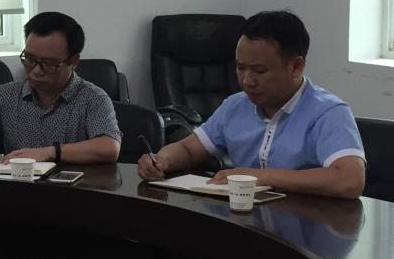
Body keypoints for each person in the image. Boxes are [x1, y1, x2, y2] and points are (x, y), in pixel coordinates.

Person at [137, 10, 365, 199]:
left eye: (259, 70)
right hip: (247, 221)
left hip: (308, 227)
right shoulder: (235, 106)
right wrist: (161, 160)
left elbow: (349, 180)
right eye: (240, 68)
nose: (246, 81)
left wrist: (258, 177)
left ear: (296, 67)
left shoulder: (328, 112)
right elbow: (188, 149)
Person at [0, 11, 121, 164]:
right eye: (29, 59)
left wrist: (49, 153)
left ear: (73, 61)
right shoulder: (2, 96)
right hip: (19, 186)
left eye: (48, 63)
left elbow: (109, 147)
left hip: (73, 188)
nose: (36, 70)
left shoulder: (93, 98)